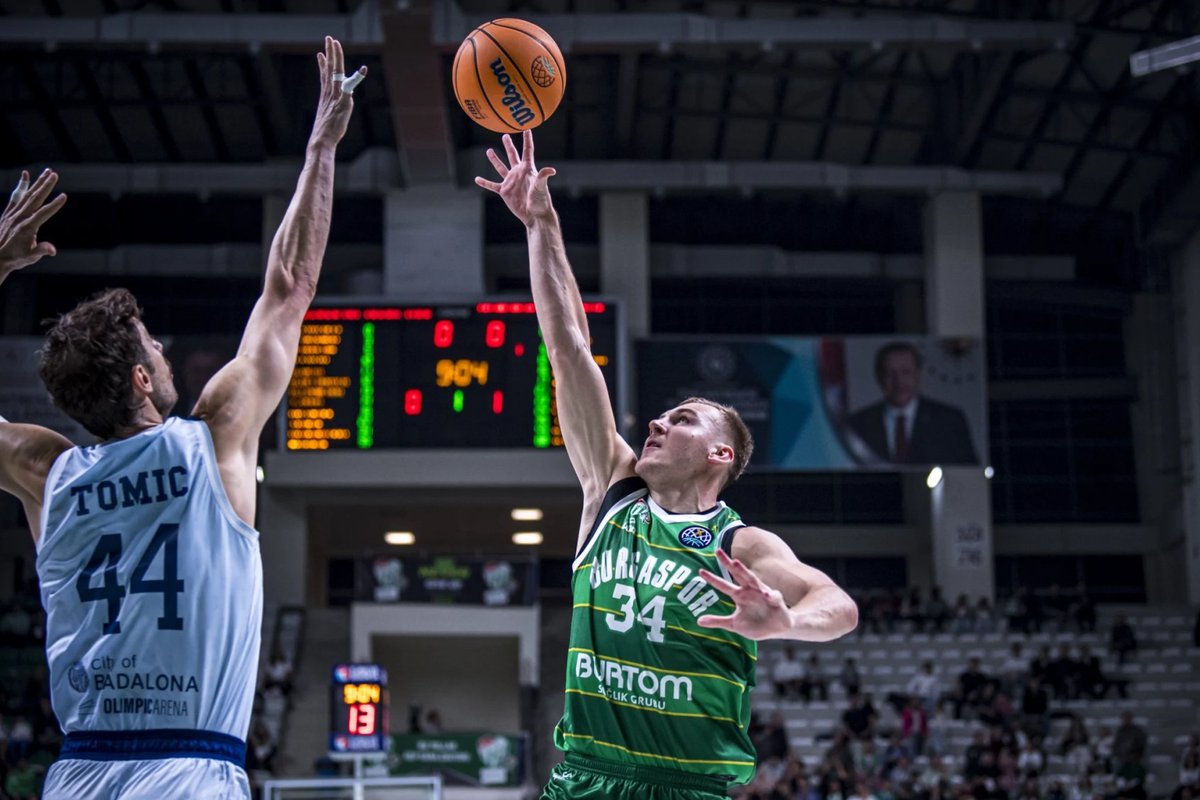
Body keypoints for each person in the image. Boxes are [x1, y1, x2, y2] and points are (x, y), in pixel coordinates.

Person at [0, 37, 364, 800]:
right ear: (140, 378)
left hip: (78, 774)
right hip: (188, 770)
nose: (163, 350)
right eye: (152, 345)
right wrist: (321, 149)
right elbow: (289, 287)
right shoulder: (214, 437)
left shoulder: (44, 473)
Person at [476, 130, 858, 800]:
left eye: (682, 419)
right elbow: (568, 347)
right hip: (584, 781)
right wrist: (541, 225)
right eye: (661, 416)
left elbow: (840, 605)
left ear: (721, 454)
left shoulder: (741, 546)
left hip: (688, 788)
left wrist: (786, 621)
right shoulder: (612, 492)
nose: (656, 424)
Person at [846, 341, 978, 465]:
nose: (899, 382)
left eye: (906, 372)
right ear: (879, 377)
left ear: (918, 375)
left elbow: (969, 466)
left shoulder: (950, 420)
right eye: (890, 373)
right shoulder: (858, 424)